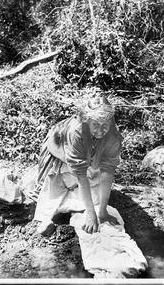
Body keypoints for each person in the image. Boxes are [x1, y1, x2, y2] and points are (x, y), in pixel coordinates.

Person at [33, 96, 123, 235]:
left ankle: (84, 195)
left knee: (97, 198)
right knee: (55, 196)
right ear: (88, 121)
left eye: (105, 125)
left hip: (88, 150)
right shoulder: (76, 131)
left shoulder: (113, 137)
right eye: (96, 125)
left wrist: (102, 211)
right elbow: (80, 176)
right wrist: (90, 214)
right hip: (60, 148)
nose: (100, 130)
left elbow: (108, 172)